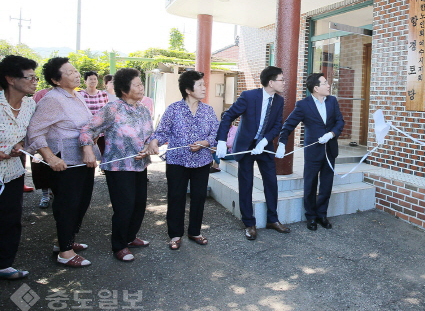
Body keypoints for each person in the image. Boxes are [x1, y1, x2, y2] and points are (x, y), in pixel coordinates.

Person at [26, 57, 100, 268]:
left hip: (83, 160)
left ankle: (66, 241)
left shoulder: (76, 96)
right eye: (69, 72)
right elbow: (35, 130)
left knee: (81, 202)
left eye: (75, 70)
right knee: (68, 205)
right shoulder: (52, 99)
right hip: (65, 163)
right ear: (56, 80)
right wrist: (50, 157)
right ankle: (65, 253)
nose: (76, 74)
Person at [80, 68, 152, 262]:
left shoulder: (143, 109)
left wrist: (148, 147)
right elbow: (88, 129)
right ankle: (119, 245)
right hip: (118, 168)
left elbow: (148, 136)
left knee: (139, 204)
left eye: (141, 84)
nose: (141, 87)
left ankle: (130, 237)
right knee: (124, 206)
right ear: (124, 89)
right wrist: (87, 149)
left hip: (140, 165)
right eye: (136, 84)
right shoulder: (112, 109)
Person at [145, 71, 218, 250]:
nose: (204, 88)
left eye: (203, 84)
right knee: (176, 197)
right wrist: (154, 141)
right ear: (188, 89)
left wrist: (205, 143)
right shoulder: (174, 109)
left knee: (199, 197)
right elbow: (162, 132)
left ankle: (195, 231)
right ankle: (175, 234)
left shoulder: (208, 110)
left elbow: (215, 133)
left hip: (202, 161)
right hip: (177, 161)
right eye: (200, 85)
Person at [215, 66, 290, 240]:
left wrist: (265, 140)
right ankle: (249, 223)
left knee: (271, 181)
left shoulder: (279, 100)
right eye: (281, 79)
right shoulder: (249, 96)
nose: (284, 83)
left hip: (264, 146)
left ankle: (273, 219)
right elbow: (228, 116)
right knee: (246, 183)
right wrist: (221, 140)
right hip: (246, 145)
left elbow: (277, 125)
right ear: (271, 82)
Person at [276, 73, 345, 230]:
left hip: (330, 150)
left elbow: (340, 121)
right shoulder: (303, 105)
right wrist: (282, 143)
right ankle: (311, 217)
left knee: (326, 185)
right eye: (325, 83)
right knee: (310, 184)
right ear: (316, 88)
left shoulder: (332, 101)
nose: (329, 85)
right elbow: (288, 125)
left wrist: (331, 134)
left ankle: (322, 215)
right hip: (313, 152)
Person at [0, 55, 38, 280]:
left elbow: (29, 136)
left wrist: (20, 145)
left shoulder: (30, 105)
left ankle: (4, 264)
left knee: (11, 218)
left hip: (13, 172)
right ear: (11, 79)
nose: (35, 81)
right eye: (30, 77)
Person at [30, 87, 54, 208]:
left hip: (59, 140)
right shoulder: (41, 94)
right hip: (42, 137)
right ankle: (45, 194)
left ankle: (55, 192)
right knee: (40, 167)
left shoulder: (73, 94)